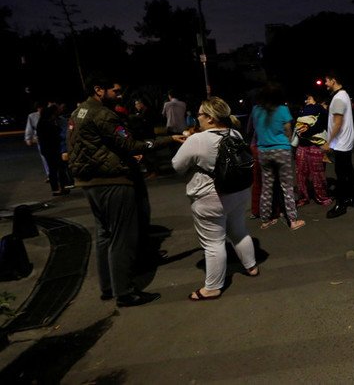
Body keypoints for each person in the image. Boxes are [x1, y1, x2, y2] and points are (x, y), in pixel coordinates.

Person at [68, 74, 185, 307]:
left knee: (104, 234)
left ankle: (109, 286)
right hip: (112, 181)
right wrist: (169, 139)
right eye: (116, 91)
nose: (120, 95)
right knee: (122, 237)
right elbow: (130, 145)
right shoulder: (103, 114)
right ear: (99, 90)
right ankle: (125, 292)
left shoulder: (77, 112)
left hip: (89, 182)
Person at [171, 97, 259, 301]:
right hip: (238, 192)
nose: (197, 117)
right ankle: (251, 266)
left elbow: (177, 165)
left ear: (210, 118)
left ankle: (213, 287)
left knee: (213, 243)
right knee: (238, 231)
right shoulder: (234, 133)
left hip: (210, 196)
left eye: (200, 114)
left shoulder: (198, 140)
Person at [251, 82, 306, 231]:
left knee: (267, 186)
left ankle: (265, 220)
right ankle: (293, 220)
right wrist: (285, 141)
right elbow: (288, 130)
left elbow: (254, 128)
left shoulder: (256, 110)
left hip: (263, 151)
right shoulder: (282, 109)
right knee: (287, 186)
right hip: (281, 150)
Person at [322, 70, 354, 219]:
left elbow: (337, 123)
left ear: (333, 80)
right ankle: (352, 198)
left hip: (341, 143)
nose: (325, 83)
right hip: (347, 141)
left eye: (326, 80)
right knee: (348, 171)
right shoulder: (344, 95)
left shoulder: (338, 98)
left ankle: (341, 204)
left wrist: (328, 142)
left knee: (341, 175)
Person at [294, 90, 333, 207]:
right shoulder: (303, 111)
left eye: (309, 98)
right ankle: (303, 197)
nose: (307, 101)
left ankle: (322, 197)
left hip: (316, 146)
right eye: (306, 99)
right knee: (301, 173)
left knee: (318, 174)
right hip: (302, 146)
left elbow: (321, 125)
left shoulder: (322, 111)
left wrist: (306, 132)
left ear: (316, 99)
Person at [24, 101, 49, 182]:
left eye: (42, 108)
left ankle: (54, 174)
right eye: (39, 108)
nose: (40, 109)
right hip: (39, 139)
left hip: (49, 137)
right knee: (44, 157)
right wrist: (28, 138)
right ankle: (49, 174)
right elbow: (29, 128)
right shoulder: (32, 116)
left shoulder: (48, 114)